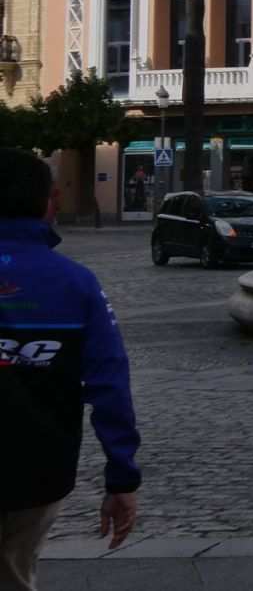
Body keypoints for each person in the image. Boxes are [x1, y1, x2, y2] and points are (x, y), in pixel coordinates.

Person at [0, 147, 140, 590]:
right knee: (14, 571)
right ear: (48, 202)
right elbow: (109, 383)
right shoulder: (76, 283)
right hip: (37, 468)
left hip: (38, 470)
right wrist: (121, 475)